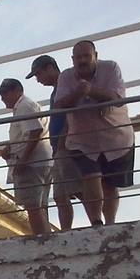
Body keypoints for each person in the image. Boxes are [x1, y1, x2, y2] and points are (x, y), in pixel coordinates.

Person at [54, 41, 135, 226]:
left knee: (109, 184)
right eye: (78, 57)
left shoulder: (111, 68)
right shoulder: (66, 77)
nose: (82, 60)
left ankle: (110, 223)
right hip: (82, 139)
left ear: (95, 56)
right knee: (90, 177)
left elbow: (118, 98)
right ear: (72, 60)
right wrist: (78, 93)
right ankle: (96, 221)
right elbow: (57, 107)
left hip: (115, 137)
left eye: (86, 56)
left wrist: (92, 91)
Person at [26, 54, 84, 231]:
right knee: (62, 194)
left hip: (66, 146)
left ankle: (95, 220)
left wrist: (64, 138)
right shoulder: (57, 90)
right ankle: (66, 230)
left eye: (38, 74)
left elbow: (70, 112)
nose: (38, 79)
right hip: (59, 147)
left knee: (77, 189)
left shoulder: (65, 86)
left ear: (50, 68)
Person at [0, 78, 52, 236]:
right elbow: (29, 132)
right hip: (40, 161)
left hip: (31, 164)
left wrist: (23, 160)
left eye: (5, 93)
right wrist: (11, 147)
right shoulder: (26, 106)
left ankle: (41, 239)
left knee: (33, 206)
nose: (2, 97)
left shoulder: (24, 106)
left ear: (16, 91)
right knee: (39, 205)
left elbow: (34, 131)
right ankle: (45, 237)